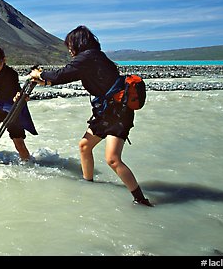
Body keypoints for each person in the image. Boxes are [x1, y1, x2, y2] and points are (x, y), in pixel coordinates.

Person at [29, 25, 153, 207]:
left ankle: (141, 200)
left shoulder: (88, 57)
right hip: (105, 112)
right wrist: (46, 80)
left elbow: (61, 74)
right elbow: (66, 76)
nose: (69, 49)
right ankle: (88, 185)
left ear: (78, 43)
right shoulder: (93, 57)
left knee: (112, 159)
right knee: (85, 146)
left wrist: (40, 73)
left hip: (119, 114)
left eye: (70, 45)